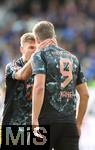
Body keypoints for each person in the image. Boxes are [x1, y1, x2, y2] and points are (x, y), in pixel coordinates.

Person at [12, 21, 89, 150]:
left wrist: (34, 119)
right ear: (54, 37)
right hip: (68, 123)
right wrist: (78, 124)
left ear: (37, 39)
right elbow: (85, 95)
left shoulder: (39, 55)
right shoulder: (73, 58)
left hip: (45, 121)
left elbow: (39, 87)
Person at [2, 32, 36, 125]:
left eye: (37, 48)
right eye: (31, 47)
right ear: (22, 49)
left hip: (38, 124)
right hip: (15, 123)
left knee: (42, 140)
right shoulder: (12, 66)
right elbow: (22, 75)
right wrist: (34, 58)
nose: (34, 51)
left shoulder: (42, 69)